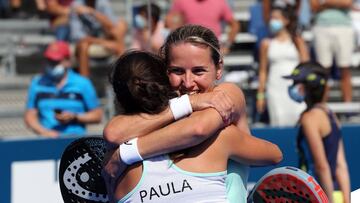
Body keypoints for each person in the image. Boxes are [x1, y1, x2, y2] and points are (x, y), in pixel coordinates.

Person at [103, 25, 282, 203]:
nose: (188, 83)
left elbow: (198, 128)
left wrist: (126, 153)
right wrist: (189, 102)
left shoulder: (227, 94)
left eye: (199, 71)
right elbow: (114, 132)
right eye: (177, 71)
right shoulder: (178, 106)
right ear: (165, 72)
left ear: (219, 68)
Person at [284, 61, 350, 203]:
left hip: (319, 196)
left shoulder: (310, 119)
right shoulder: (330, 114)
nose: (293, 87)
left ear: (305, 88)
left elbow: (321, 166)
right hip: (335, 196)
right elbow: (341, 165)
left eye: (296, 83)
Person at [24, 41, 103, 138]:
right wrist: (45, 132)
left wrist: (75, 116)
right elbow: (30, 116)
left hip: (75, 141)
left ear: (68, 61)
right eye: (49, 61)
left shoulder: (83, 83)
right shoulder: (37, 83)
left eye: (56, 61)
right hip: (46, 140)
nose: (52, 65)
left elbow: (97, 115)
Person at [256, 5, 308, 126]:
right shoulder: (266, 44)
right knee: (278, 121)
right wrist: (260, 95)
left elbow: (306, 66)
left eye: (276, 18)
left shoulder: (297, 41)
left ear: (286, 21)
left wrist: (304, 86)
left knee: (299, 121)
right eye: (271, 18)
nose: (272, 21)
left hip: (296, 87)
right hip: (275, 89)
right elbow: (263, 71)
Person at [310, 0, 354, 102]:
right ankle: (322, 106)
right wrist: (336, 3)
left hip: (344, 27)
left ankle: (348, 108)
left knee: (345, 68)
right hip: (321, 28)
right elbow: (314, 6)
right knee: (323, 70)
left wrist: (325, 3)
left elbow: (347, 3)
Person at [69, 0, 127, 76]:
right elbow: (77, 36)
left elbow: (112, 26)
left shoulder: (103, 3)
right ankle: (85, 82)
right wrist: (102, 42)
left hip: (101, 39)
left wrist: (92, 12)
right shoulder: (76, 5)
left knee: (121, 26)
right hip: (84, 42)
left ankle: (124, 77)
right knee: (83, 45)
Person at [165, 0, 239, 55]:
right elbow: (169, 21)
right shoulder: (181, 1)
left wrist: (227, 45)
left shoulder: (219, 2)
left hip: (212, 49)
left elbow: (234, 25)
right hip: (188, 49)